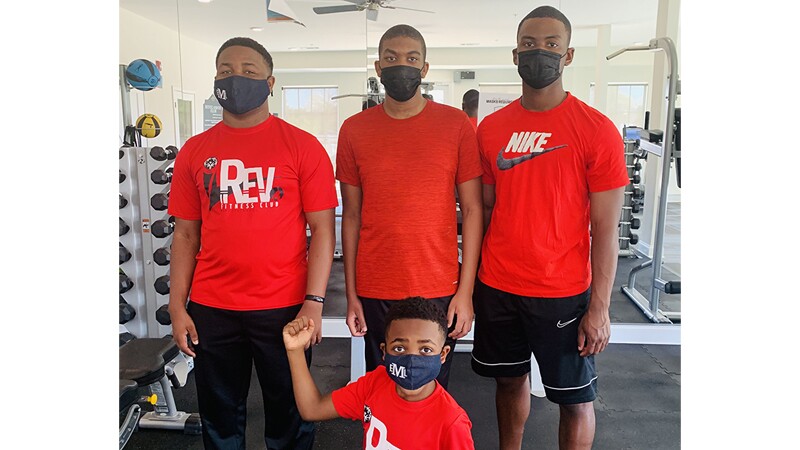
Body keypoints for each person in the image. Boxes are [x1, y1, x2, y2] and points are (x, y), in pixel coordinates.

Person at [167, 36, 338, 450]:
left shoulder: (303, 147)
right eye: (225, 70)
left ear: (271, 82)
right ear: (215, 79)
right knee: (219, 415)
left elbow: (323, 230)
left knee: (290, 412)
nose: (236, 78)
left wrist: (313, 302)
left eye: (248, 71)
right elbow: (186, 234)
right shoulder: (195, 151)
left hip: (284, 305)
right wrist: (177, 306)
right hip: (213, 307)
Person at [471, 6, 629, 450]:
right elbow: (484, 208)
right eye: (529, 45)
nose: (539, 52)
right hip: (498, 284)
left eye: (551, 45)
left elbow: (605, 227)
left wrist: (600, 307)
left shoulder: (596, 130)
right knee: (507, 382)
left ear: (569, 54)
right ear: (515, 53)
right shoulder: (491, 129)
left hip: (562, 291)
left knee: (575, 400)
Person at [336, 24, 484, 391]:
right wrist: (352, 294)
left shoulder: (456, 126)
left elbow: (473, 209)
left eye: (411, 58)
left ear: (425, 68)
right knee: (385, 386)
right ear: (378, 66)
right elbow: (351, 216)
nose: (401, 65)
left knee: (433, 389)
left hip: (437, 283)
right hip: (376, 285)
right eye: (391, 58)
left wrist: (465, 293)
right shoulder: (354, 129)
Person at [283, 297, 475, 449]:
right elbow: (312, 409)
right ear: (384, 351)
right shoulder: (374, 384)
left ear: (443, 355)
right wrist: (295, 351)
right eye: (399, 348)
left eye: (425, 350)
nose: (411, 359)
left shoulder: (451, 423)